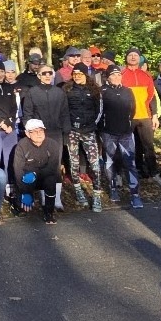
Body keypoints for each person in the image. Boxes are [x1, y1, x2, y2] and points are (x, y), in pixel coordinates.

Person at [21, 62, 70, 208]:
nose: (48, 76)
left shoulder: (59, 92)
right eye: (44, 73)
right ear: (38, 76)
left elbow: (65, 113)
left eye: (50, 73)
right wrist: (31, 131)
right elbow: (27, 114)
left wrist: (66, 131)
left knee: (55, 165)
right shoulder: (32, 92)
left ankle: (56, 199)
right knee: (42, 165)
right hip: (39, 134)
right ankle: (44, 198)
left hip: (56, 133)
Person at [100, 65, 143, 208]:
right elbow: (99, 112)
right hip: (109, 133)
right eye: (113, 75)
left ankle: (135, 194)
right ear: (108, 77)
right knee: (110, 162)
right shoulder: (102, 92)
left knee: (130, 163)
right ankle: (113, 188)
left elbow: (133, 110)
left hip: (126, 133)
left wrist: (129, 126)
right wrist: (102, 129)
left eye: (119, 74)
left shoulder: (128, 91)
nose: (117, 77)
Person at [63, 65, 104, 212]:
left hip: (89, 131)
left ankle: (97, 196)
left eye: (80, 73)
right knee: (74, 163)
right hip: (72, 132)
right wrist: (67, 127)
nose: (77, 76)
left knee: (95, 165)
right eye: (75, 73)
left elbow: (99, 110)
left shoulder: (94, 90)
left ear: (86, 75)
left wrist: (92, 125)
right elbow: (64, 110)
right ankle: (79, 192)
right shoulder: (67, 90)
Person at [119, 47, 160, 181]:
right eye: (130, 55)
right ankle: (130, 172)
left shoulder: (146, 75)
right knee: (128, 146)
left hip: (145, 116)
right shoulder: (121, 74)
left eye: (135, 55)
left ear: (139, 58)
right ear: (126, 58)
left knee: (148, 146)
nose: (132, 57)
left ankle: (154, 173)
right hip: (127, 117)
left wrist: (154, 115)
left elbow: (152, 96)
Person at [13, 119, 62, 224]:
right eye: (35, 131)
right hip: (27, 177)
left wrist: (35, 173)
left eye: (41, 130)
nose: (39, 134)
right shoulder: (21, 145)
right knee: (24, 207)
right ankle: (19, 202)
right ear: (27, 133)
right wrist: (25, 191)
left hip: (45, 175)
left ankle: (49, 212)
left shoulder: (53, 144)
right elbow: (18, 170)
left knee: (51, 181)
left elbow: (53, 167)